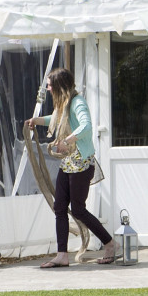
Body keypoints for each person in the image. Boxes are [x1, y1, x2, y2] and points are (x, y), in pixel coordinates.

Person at [27, 67, 115, 267]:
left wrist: (66, 140)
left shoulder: (77, 102)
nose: (48, 89)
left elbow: (86, 126)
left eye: (50, 85)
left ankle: (110, 244)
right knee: (59, 207)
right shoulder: (63, 105)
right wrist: (36, 121)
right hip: (68, 163)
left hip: (81, 164)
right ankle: (62, 255)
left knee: (78, 210)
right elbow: (55, 120)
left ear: (59, 86)